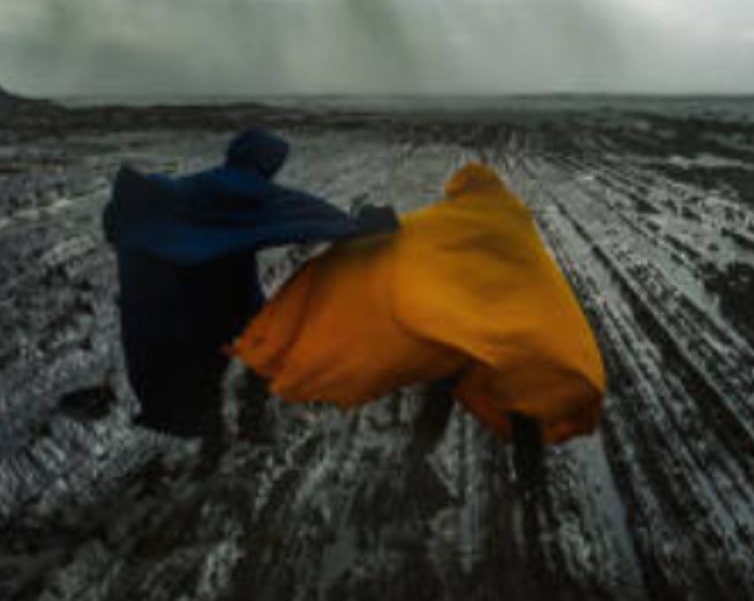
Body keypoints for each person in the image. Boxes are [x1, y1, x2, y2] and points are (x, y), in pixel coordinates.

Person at [232, 161, 606, 486]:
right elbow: (533, 271)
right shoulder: (513, 217)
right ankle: (528, 478)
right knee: (520, 392)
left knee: (446, 381)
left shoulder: (462, 217)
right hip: (512, 334)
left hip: (462, 328)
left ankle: (420, 451)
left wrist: (371, 235)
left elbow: (420, 235)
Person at [102, 128, 398, 440]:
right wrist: (359, 226)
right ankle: (248, 423)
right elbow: (306, 214)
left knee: (181, 355)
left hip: (181, 287)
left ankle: (187, 418)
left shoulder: (195, 184)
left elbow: (142, 211)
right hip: (220, 291)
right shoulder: (254, 193)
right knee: (254, 344)